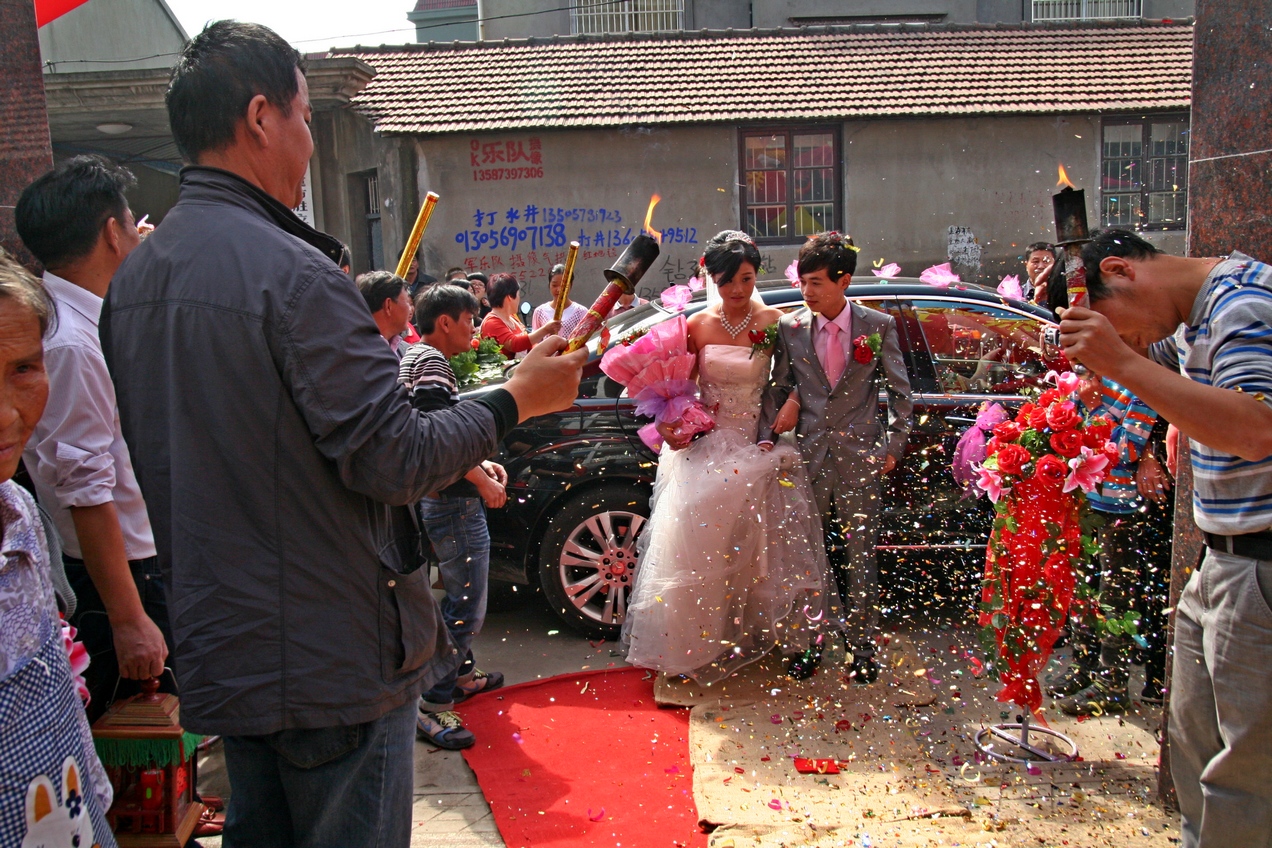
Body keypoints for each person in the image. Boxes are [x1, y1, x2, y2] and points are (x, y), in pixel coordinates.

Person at [100, 21, 584, 847]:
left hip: (227, 640)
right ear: (260, 117)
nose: (306, 138)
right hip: (328, 650)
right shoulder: (294, 274)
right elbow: (395, 457)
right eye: (305, 117)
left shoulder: (137, 279)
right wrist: (516, 398)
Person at [1058, 228, 1272, 848]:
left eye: (1115, 326)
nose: (1125, 341)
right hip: (1220, 557)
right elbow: (1189, 394)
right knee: (1194, 748)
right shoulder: (1194, 320)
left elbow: (1258, 428)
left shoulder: (1243, 303)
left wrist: (1122, 363)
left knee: (1245, 774)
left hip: (1259, 560)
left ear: (1121, 270)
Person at [620, 231, 834, 683]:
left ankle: (774, 637)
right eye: (725, 281)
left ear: (757, 275)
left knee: (770, 552)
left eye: (746, 278)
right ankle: (692, 643)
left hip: (757, 445)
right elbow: (676, 388)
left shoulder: (778, 323)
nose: (737, 290)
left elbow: (804, 378)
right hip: (705, 449)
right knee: (701, 551)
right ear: (711, 279)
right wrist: (670, 422)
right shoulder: (696, 326)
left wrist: (793, 401)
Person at [14, 156, 172, 720]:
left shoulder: (85, 319)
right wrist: (130, 619)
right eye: (132, 224)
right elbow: (87, 490)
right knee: (132, 745)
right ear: (112, 230)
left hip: (133, 561)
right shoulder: (72, 343)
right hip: (118, 576)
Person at [0, 251, 119, 847]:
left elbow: (57, 703)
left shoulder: (21, 516)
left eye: (23, 370)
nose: (5, 415)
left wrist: (96, 809)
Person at [759, 231, 913, 683]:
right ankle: (812, 642)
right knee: (809, 556)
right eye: (803, 282)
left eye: (817, 283)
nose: (806, 292)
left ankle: (862, 647)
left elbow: (901, 394)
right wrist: (777, 418)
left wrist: (893, 447)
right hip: (807, 457)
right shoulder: (790, 328)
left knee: (860, 556)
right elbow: (779, 385)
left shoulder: (876, 326)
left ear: (843, 280)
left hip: (861, 458)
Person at [399, 285, 506, 750]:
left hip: (445, 498)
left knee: (460, 596)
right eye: (468, 319)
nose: (475, 328)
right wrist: (481, 482)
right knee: (466, 604)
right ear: (445, 322)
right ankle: (431, 703)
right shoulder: (432, 364)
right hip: (452, 503)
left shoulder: (418, 359)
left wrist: (481, 465)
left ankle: (460, 673)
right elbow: (437, 441)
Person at [1044, 372, 1172, 715]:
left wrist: (1094, 406)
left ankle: (1111, 683)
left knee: (1115, 598)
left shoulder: (1139, 389)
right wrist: (1079, 406)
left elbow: (1128, 449)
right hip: (1087, 504)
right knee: (1083, 591)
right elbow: (1062, 435)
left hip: (1122, 511)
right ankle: (1083, 667)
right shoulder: (1087, 385)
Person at [481, 272, 559, 358]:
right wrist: (545, 330)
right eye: (518, 294)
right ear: (509, 297)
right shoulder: (491, 322)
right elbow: (514, 344)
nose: (519, 299)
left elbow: (528, 345)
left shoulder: (512, 317)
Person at [357, 270, 414, 356]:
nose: (410, 310)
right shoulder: (354, 352)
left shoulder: (408, 352)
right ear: (388, 305)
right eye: (407, 302)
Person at [532, 263, 587, 337]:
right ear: (549, 285)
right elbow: (534, 341)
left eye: (563, 286)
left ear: (571, 285)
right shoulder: (539, 312)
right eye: (554, 285)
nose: (558, 290)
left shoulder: (581, 312)